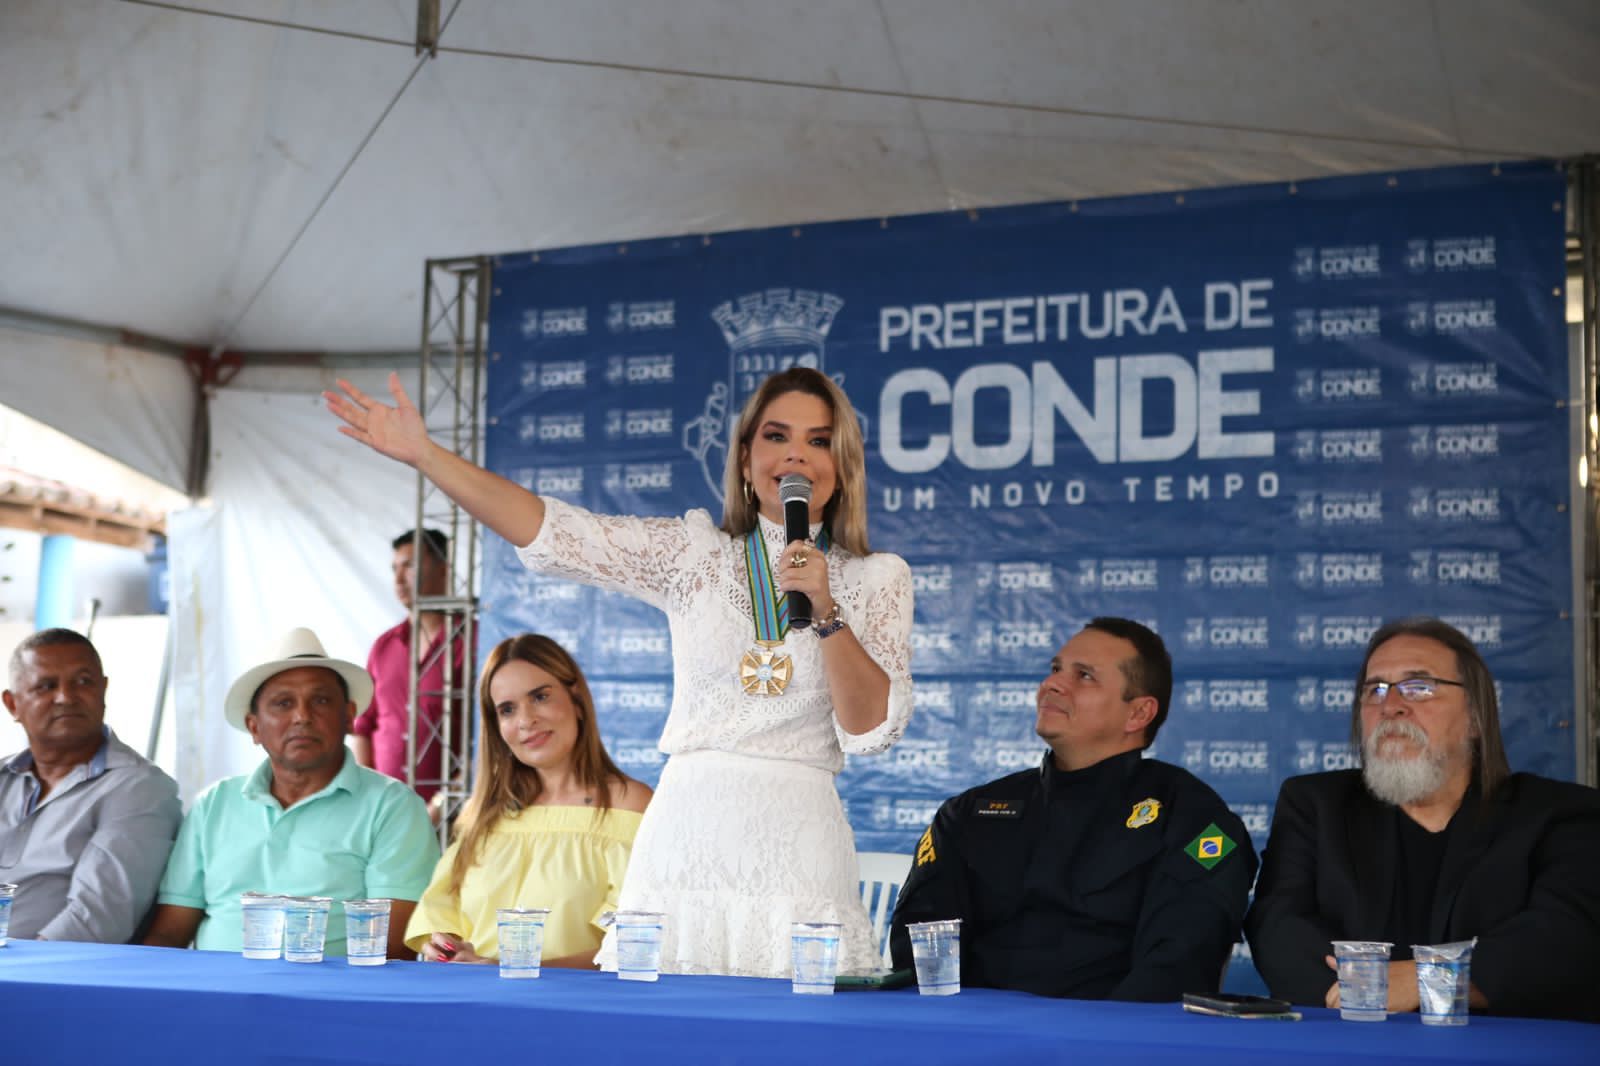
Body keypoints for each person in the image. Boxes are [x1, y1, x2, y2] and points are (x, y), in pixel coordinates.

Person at [326, 366, 914, 977]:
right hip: (687, 834)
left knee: (797, 1019)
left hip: (799, 836)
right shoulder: (692, 555)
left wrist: (826, 612)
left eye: (819, 440)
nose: (796, 454)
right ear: (745, 458)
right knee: (669, 1018)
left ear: (843, 464)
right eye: (776, 435)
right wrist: (427, 455)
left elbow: (869, 730)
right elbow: (555, 532)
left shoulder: (877, 579)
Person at [1245, 617, 1600, 1022]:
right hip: (1353, 1042)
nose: (1391, 705)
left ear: (1475, 716)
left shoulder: (1562, 815)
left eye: (1419, 687)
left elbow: (1567, 939)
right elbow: (1277, 926)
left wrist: (1428, 981)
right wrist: (1371, 992)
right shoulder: (1315, 805)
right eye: (1375, 689)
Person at [890, 618, 1257, 1000]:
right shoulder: (969, 812)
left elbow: (1178, 964)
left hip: (1112, 1031)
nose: (1053, 684)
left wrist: (1095, 1031)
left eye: (1084, 676)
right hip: (969, 1027)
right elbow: (919, 947)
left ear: (1138, 714)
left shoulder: (1192, 817)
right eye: (1055, 669)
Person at [143, 627, 438, 957]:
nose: (302, 717)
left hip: (332, 989)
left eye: (321, 701)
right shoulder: (214, 803)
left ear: (349, 717)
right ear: (254, 727)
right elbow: (170, 931)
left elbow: (394, 947)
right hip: (217, 986)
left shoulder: (393, 806)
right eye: (283, 703)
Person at [406, 633, 651, 965]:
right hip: (475, 995)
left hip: (578, 999)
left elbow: (633, 944)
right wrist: (445, 946)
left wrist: (510, 970)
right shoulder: (483, 814)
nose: (525, 720)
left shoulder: (631, 804)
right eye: (507, 710)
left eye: (540, 697)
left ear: (577, 701)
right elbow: (441, 915)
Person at [1, 628, 180, 942]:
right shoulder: (5, 777)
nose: (66, 697)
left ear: (104, 690)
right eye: (46, 686)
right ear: (13, 704)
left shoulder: (138, 787)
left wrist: (17, 968)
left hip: (44, 968)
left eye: (83, 682)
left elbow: (97, 920)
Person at [353, 528, 466, 806]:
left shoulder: (472, 641)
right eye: (395, 569)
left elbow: (486, 740)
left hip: (454, 812)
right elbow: (363, 726)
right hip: (383, 807)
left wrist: (442, 806)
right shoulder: (384, 646)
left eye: (410, 566)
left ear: (443, 569)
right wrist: (366, 796)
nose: (399, 579)